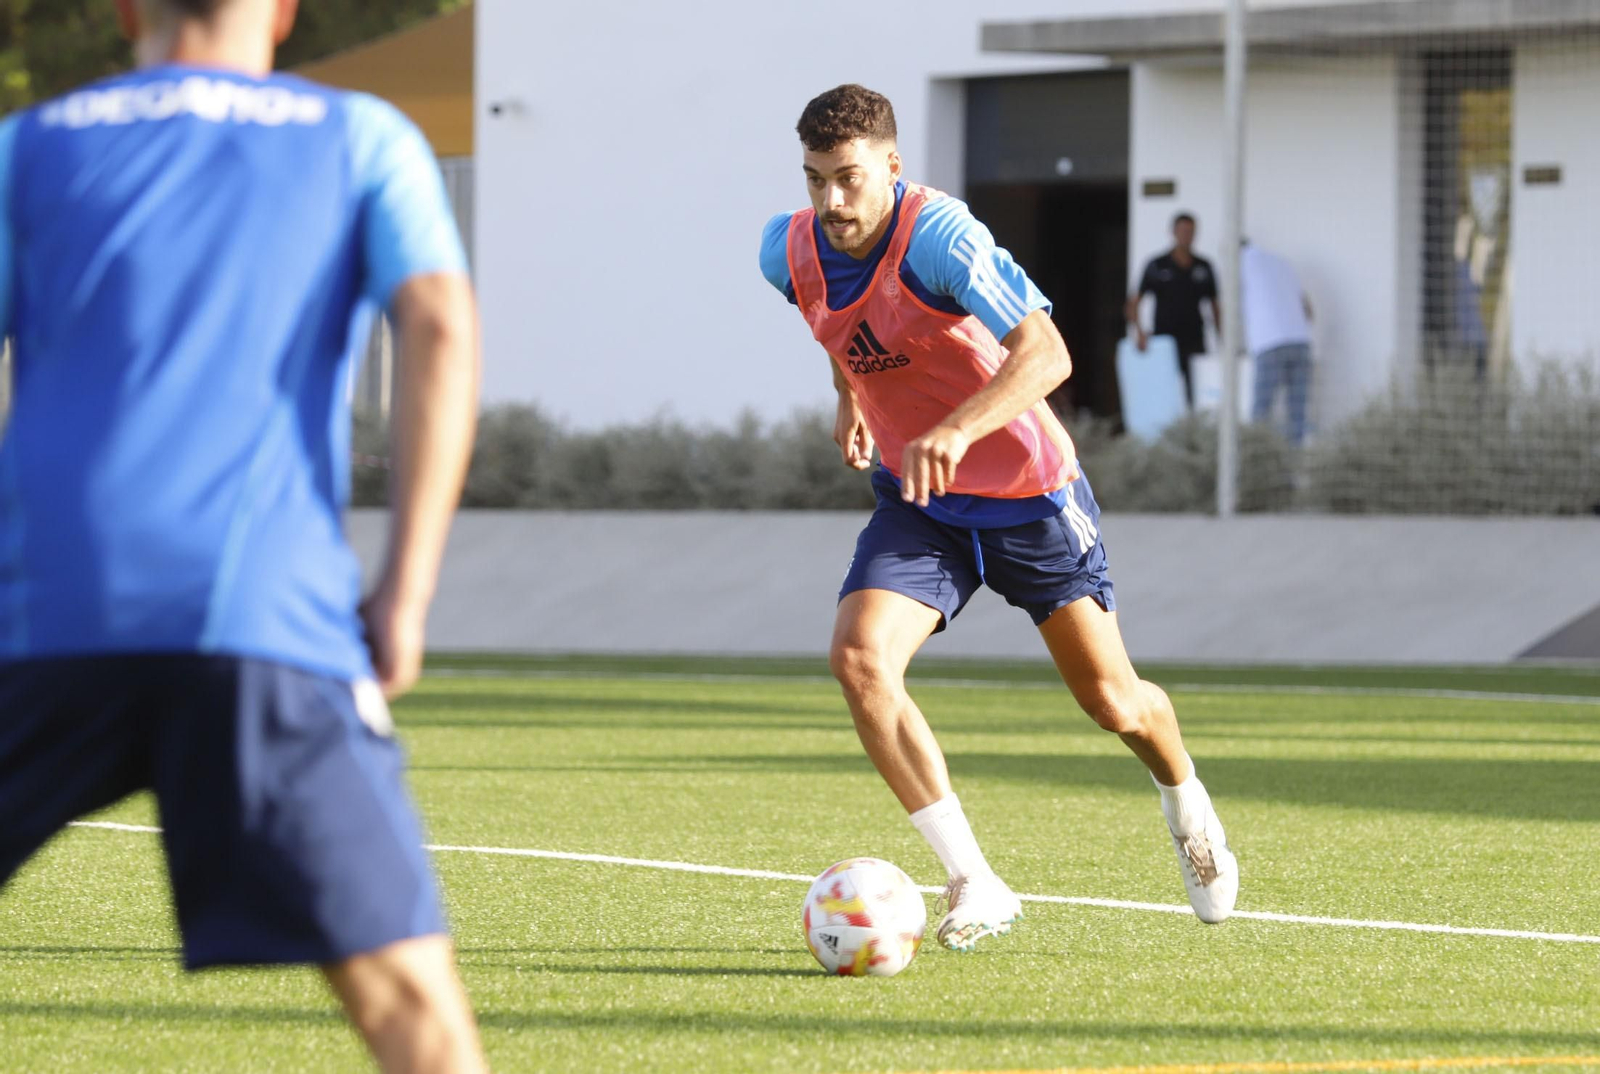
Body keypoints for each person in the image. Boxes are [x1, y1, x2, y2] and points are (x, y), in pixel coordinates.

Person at [0, 2, 487, 1071]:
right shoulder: (358, 136)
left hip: (47, 612)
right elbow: (441, 322)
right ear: (282, 9)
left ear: (128, 8)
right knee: (411, 1005)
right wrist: (403, 593)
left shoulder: (26, 149)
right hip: (263, 613)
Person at [759, 84, 1237, 952]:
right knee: (860, 660)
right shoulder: (784, 249)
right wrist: (851, 397)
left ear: (894, 169)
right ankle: (975, 879)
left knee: (1114, 703)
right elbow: (832, 326)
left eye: (850, 179)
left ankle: (1186, 799)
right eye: (815, 179)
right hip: (923, 502)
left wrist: (957, 425)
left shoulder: (940, 237)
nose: (831, 201)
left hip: (1028, 496)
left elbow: (1046, 351)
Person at [1126, 213, 1222, 406]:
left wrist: (1223, 339)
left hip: (1194, 338)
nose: (1187, 235)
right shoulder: (1157, 265)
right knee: (1163, 391)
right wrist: (1139, 332)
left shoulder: (1204, 267)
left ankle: (1193, 431)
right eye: (1183, 231)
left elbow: (1215, 306)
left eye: (1191, 231)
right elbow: (1134, 302)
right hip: (1164, 339)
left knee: (1196, 391)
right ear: (1173, 232)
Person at [1241, 239, 1315, 446]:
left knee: (1261, 409)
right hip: (1300, 340)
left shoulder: (1241, 263)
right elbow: (1308, 309)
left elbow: (1228, 304)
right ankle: (1294, 465)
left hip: (1269, 341)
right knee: (1297, 411)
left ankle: (1255, 461)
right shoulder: (1282, 263)